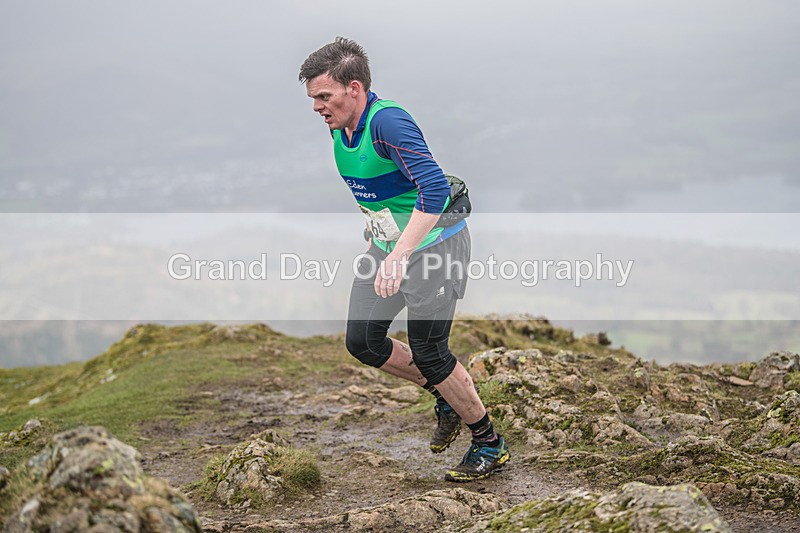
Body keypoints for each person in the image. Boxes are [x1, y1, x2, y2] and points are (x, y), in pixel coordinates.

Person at [299, 37, 509, 482]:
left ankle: (489, 443)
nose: (317, 107)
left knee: (431, 351)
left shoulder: (388, 123)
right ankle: (445, 396)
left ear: (354, 88)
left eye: (324, 96)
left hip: (435, 248)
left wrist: (399, 255)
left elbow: (434, 191)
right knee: (363, 341)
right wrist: (383, 242)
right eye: (313, 98)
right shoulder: (341, 125)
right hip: (389, 246)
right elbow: (380, 190)